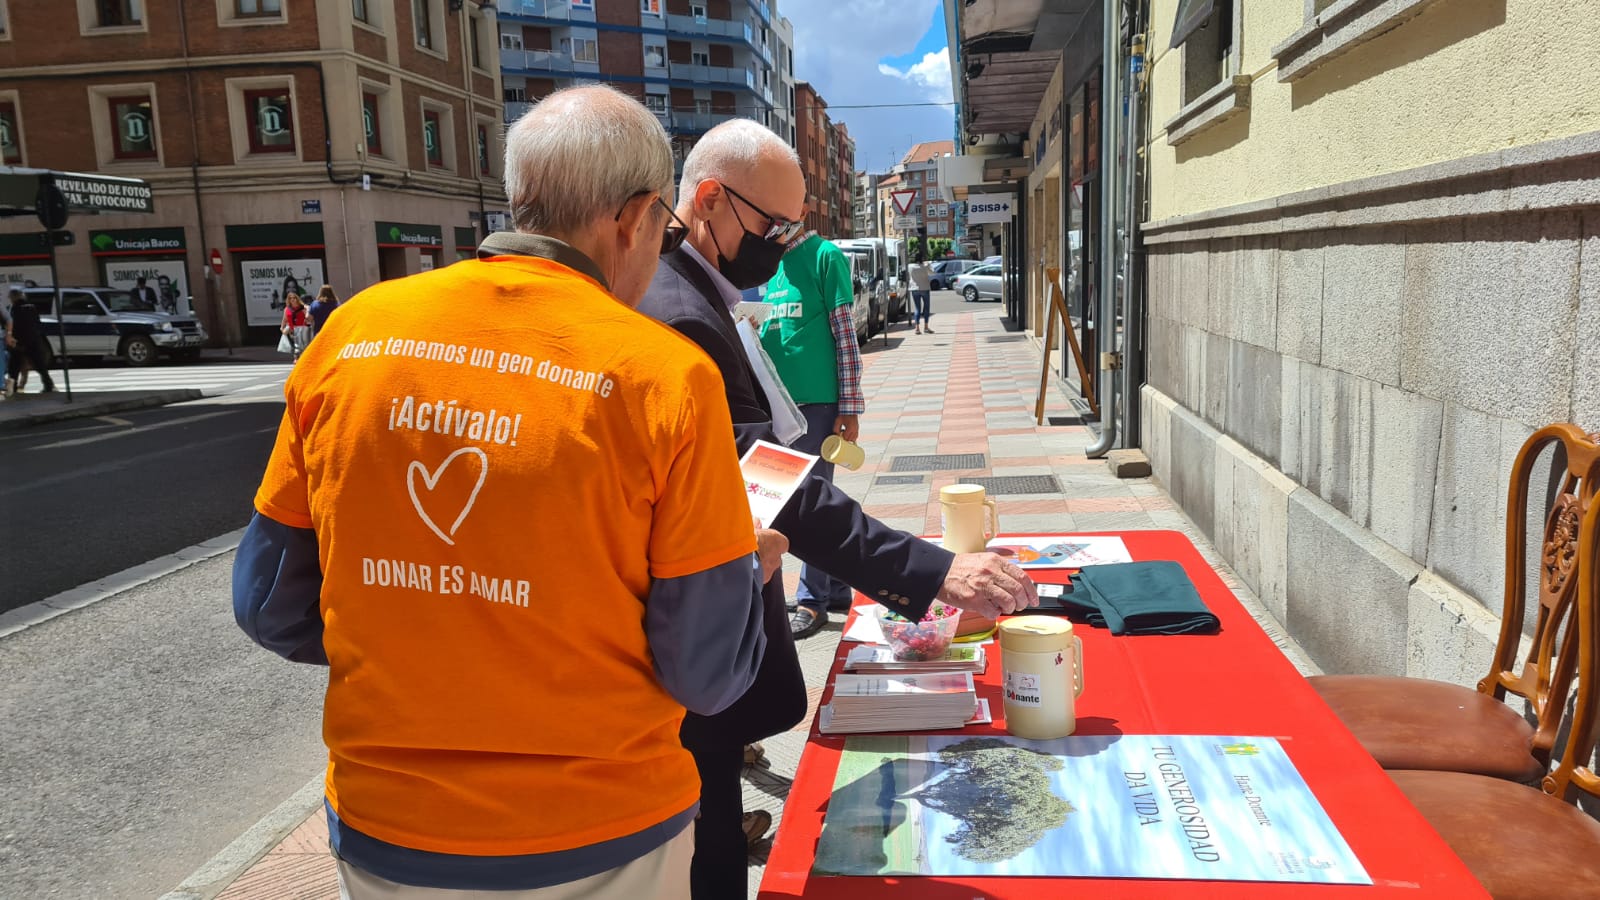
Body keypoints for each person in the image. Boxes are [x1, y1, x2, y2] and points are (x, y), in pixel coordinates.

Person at [232, 84, 778, 900]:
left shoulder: (350, 335)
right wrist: (746, 571)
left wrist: (427, 629)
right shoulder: (664, 376)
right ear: (633, 219)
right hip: (602, 838)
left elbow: (269, 602)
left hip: (388, 832)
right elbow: (706, 672)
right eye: (662, 229)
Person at [637, 118, 1040, 900]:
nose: (781, 244)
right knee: (704, 833)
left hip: (711, 607)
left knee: (710, 808)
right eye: (770, 225)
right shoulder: (678, 309)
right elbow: (771, 473)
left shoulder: (697, 290)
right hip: (689, 632)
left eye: (791, 228)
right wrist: (933, 571)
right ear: (710, 200)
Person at [757, 228, 868, 637]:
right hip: (780, 406)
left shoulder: (825, 257)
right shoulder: (772, 265)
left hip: (817, 406)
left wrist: (850, 406)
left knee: (813, 507)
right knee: (801, 501)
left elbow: (845, 337)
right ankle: (834, 587)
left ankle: (812, 600)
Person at [6, 288, 54, 394]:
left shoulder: (13, 309)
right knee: (39, 365)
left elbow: (15, 327)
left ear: (13, 297)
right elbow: (37, 324)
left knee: (13, 367)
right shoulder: (32, 308)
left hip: (18, 342)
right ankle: (48, 385)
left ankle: (12, 388)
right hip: (33, 341)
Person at [279, 292, 309, 361]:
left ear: (297, 299)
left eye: (294, 298)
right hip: (292, 331)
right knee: (296, 346)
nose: (292, 300)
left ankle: (302, 359)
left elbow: (307, 315)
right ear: (288, 300)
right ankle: (296, 359)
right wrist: (282, 328)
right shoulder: (287, 309)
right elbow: (284, 319)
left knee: (302, 346)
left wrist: (307, 311)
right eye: (290, 298)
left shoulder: (302, 307)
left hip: (302, 330)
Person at [907, 255, 933, 334]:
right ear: (922, 260)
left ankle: (917, 328)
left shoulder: (910, 267)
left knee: (917, 308)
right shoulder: (925, 267)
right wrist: (928, 264)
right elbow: (932, 273)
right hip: (925, 288)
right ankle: (926, 327)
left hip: (914, 289)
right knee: (926, 307)